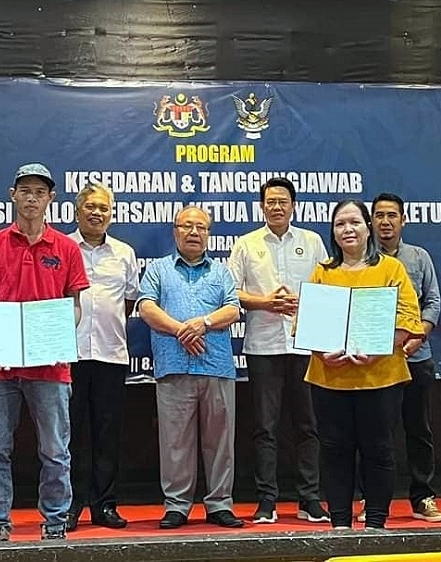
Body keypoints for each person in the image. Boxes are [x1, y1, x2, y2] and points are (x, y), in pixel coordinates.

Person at [0, 163, 89, 542]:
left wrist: (55, 338)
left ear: (51, 198)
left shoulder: (67, 248)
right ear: (13, 194)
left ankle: (55, 520)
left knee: (55, 451)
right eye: (25, 190)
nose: (32, 197)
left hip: (51, 368)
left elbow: (74, 306)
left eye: (40, 191)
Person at [301, 199, 424, 530]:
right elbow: (308, 322)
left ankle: (376, 523)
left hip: (381, 377)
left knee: (379, 450)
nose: (347, 229)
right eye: (340, 224)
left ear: (368, 227)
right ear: (333, 232)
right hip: (330, 378)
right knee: (334, 451)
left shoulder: (390, 269)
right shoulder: (322, 271)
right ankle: (340, 523)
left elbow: (408, 317)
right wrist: (322, 350)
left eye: (354, 222)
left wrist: (378, 347)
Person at [228, 177, 330, 524]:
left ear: (293, 205)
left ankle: (310, 499)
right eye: (270, 201)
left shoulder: (313, 242)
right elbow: (232, 293)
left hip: (306, 345)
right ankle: (266, 501)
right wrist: (266, 303)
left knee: (308, 425)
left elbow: (328, 288)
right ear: (261, 206)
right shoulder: (246, 244)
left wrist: (308, 304)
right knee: (265, 427)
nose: (276, 206)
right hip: (263, 347)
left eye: (282, 201)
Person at [137, 206, 244, 530]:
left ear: (209, 234)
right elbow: (145, 307)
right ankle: (177, 506)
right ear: (175, 231)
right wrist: (180, 329)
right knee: (175, 443)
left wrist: (204, 322)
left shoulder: (221, 272)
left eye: (201, 227)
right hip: (173, 367)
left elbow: (234, 310)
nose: (194, 232)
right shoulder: (158, 270)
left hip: (217, 367)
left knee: (220, 442)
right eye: (187, 226)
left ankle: (220, 504)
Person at [367, 192, 441, 523]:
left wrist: (418, 336)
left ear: (403, 220)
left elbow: (433, 301)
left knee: (418, 430)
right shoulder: (362, 259)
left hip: (416, 357)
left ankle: (423, 497)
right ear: (371, 221)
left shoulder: (419, 257)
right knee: (373, 432)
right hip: (373, 362)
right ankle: (371, 498)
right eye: (380, 216)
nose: (385, 222)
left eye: (392, 216)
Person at [66, 183, 140, 531]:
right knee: (69, 433)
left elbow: (126, 303)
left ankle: (104, 504)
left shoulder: (124, 253)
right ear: (77, 210)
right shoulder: (62, 247)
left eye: (104, 208)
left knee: (107, 433)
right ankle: (68, 504)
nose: (97, 213)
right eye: (91, 207)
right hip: (70, 354)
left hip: (111, 353)